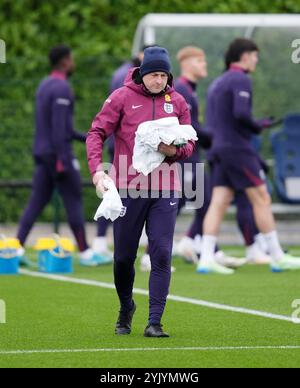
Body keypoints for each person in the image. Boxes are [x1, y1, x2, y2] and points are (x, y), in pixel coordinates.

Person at [86, 46, 195, 337]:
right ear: (142, 74)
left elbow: (189, 143)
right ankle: (125, 308)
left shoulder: (179, 101)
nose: (159, 81)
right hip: (129, 188)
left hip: (166, 189)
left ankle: (154, 322)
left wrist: (174, 150)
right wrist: (97, 169)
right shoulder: (121, 97)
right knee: (123, 257)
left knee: (161, 253)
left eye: (163, 75)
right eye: (154, 75)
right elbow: (96, 132)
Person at [197, 38, 300, 274]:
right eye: (254, 56)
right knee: (262, 197)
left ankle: (205, 258)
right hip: (236, 148)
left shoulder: (217, 82)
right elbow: (241, 113)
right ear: (244, 56)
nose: (256, 60)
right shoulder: (241, 78)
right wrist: (258, 125)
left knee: (219, 202)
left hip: (218, 149)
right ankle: (276, 256)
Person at [17, 45, 111, 267]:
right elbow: (61, 130)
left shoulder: (44, 85)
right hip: (57, 154)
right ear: (66, 61)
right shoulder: (61, 88)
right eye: (72, 59)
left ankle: (17, 247)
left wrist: (87, 137)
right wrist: (63, 159)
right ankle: (86, 252)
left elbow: (60, 128)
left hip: (42, 153)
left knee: (37, 201)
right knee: (73, 199)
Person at [94, 48, 149, 260]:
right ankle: (104, 243)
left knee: (117, 193)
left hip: (121, 143)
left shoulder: (122, 72)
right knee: (119, 194)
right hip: (125, 145)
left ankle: (101, 241)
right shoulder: (127, 77)